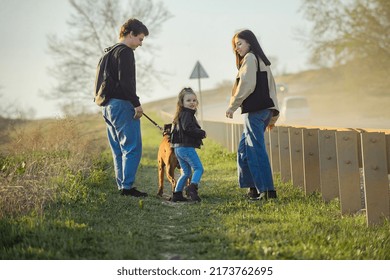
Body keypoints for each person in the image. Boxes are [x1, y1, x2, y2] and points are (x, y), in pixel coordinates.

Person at [226, 29, 280, 200]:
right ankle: (253, 189)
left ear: (250, 42)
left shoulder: (250, 58)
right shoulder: (260, 59)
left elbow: (247, 85)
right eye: (235, 46)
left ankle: (266, 191)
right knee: (244, 150)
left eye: (239, 44)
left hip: (255, 112)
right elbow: (272, 89)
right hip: (263, 111)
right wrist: (273, 116)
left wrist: (232, 106)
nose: (237, 48)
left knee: (255, 150)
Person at [99, 18, 149, 197]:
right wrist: (136, 104)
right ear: (130, 34)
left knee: (118, 149)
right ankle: (127, 187)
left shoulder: (108, 52)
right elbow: (126, 82)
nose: (141, 44)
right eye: (140, 39)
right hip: (121, 104)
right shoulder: (126, 52)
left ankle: (123, 186)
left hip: (106, 105)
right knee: (132, 147)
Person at [170, 88, 206, 202]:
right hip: (186, 148)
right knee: (199, 168)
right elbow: (188, 128)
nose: (192, 103)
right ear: (182, 102)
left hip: (178, 148)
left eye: (194, 100)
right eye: (188, 100)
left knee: (186, 172)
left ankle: (177, 194)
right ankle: (192, 187)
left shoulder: (181, 114)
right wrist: (201, 133)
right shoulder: (187, 114)